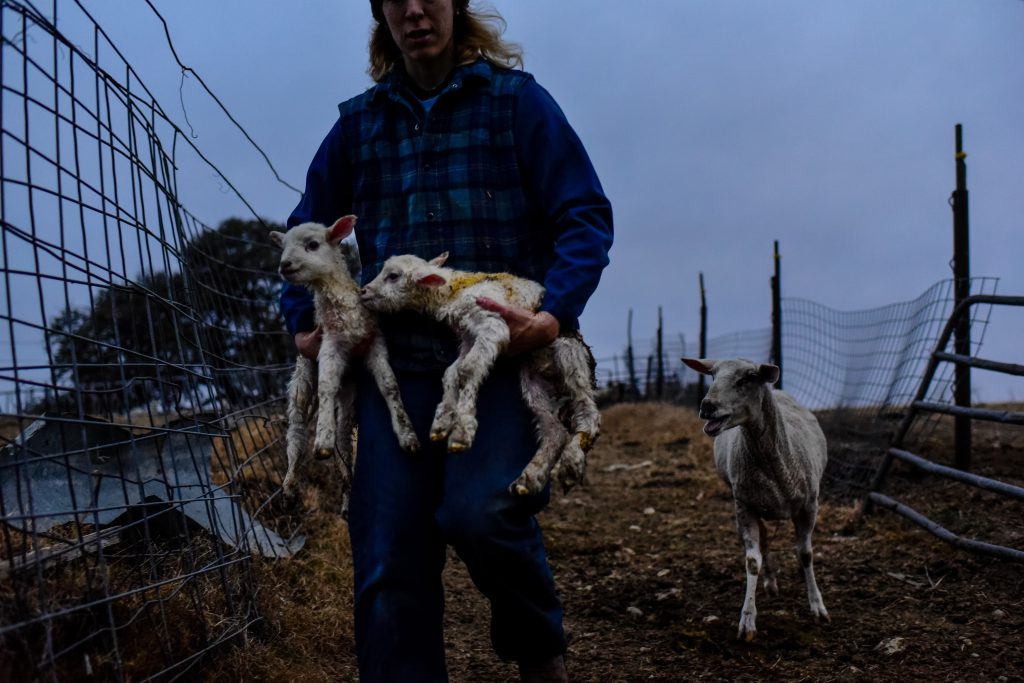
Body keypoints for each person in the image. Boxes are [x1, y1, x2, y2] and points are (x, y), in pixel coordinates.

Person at [279, 1, 613, 680]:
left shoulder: (518, 106)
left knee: (484, 513)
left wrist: (551, 317)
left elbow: (584, 216)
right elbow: (307, 226)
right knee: (388, 553)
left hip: (496, 358)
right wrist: (303, 320)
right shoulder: (357, 125)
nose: (414, 10)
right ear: (381, 14)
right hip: (395, 370)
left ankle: (537, 649)